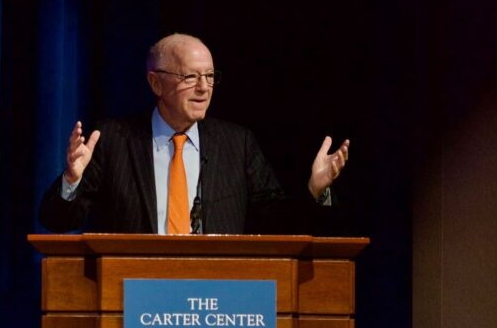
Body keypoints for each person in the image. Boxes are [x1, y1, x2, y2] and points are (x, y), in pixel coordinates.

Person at [38, 33, 349, 234]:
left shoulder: (237, 144)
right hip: (135, 298)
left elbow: (278, 224)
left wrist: (314, 189)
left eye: (210, 76)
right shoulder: (115, 140)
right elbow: (57, 222)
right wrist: (71, 180)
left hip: (215, 300)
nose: (204, 88)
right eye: (190, 76)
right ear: (155, 84)